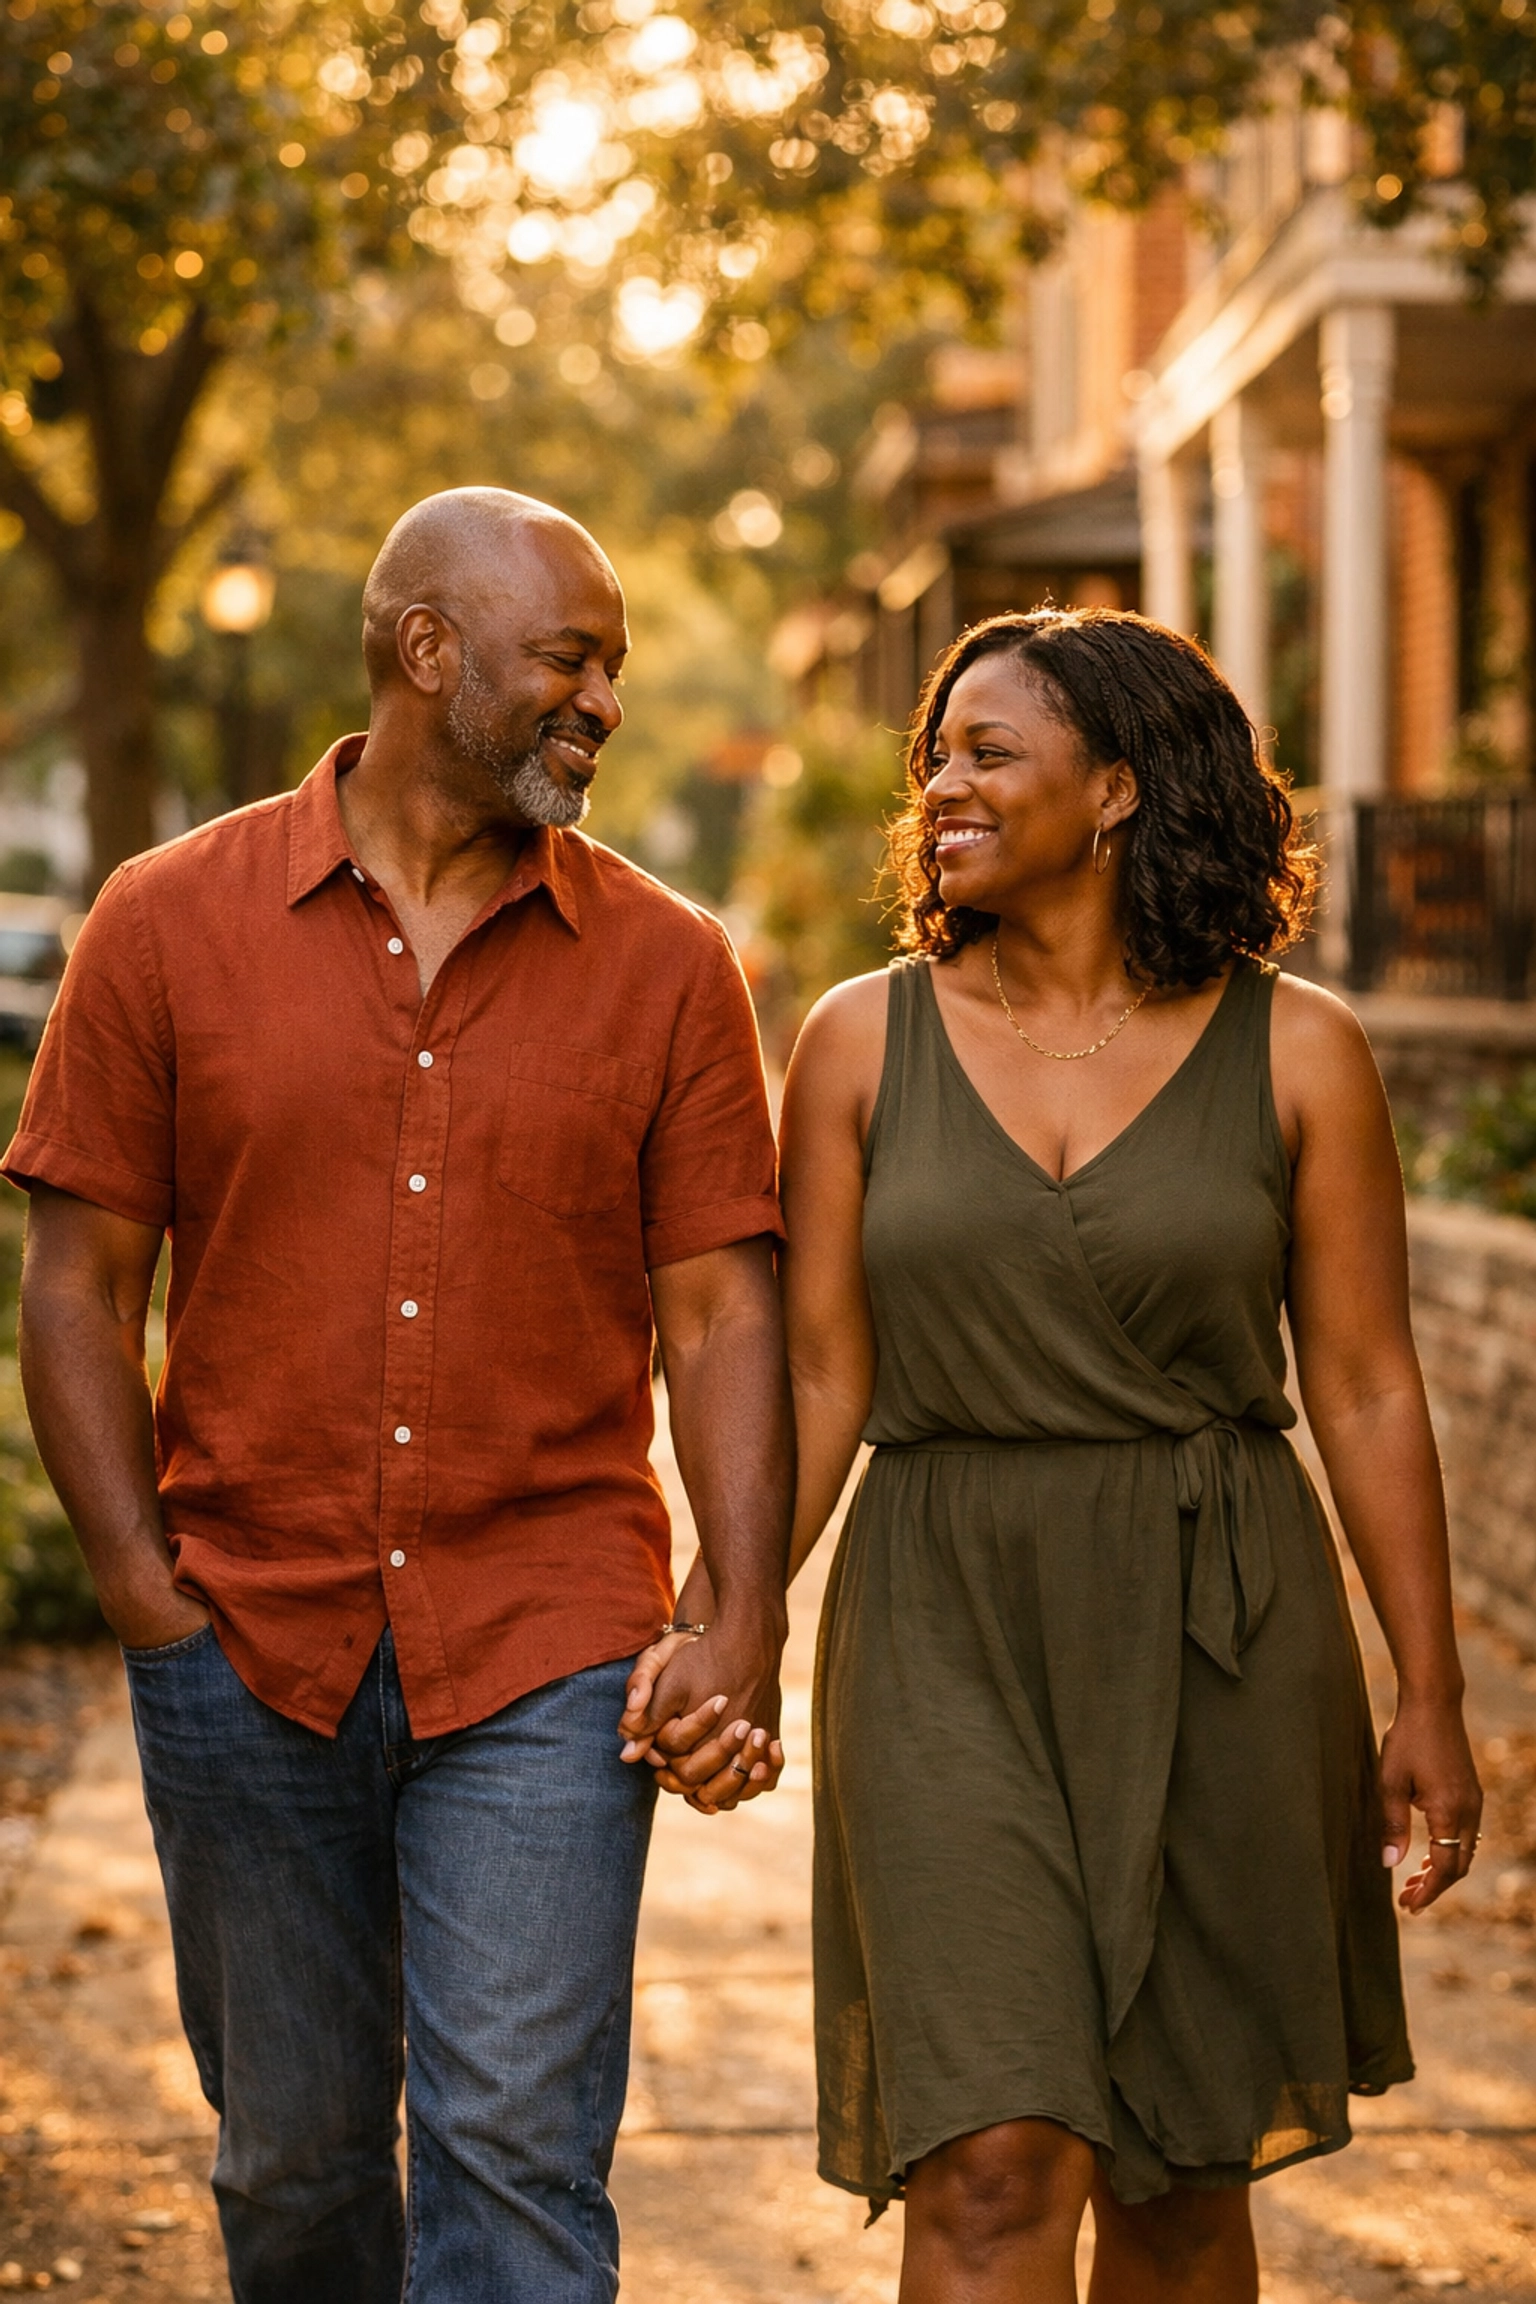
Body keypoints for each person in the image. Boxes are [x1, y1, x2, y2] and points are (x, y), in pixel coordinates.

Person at [4, 487, 791, 2304]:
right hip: (243, 1635)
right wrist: (141, 1590)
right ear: (429, 650)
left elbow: (720, 1313)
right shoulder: (164, 923)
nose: (602, 703)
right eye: (568, 661)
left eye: (613, 667)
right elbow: (81, 1281)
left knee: (515, 2160)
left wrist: (739, 1606)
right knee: (292, 2168)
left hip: (547, 1645)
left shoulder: (669, 965)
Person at [769, 607, 1483, 2301]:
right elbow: (813, 1374)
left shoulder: (1300, 1049)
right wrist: (726, 1617)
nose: (942, 785)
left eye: (989, 751)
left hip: (1221, 1621)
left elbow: (1366, 1386)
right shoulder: (858, 1041)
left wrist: (1432, 1692)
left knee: (1178, 2176)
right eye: (936, 757)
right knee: (991, 2162)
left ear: (1117, 791)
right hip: (942, 1611)